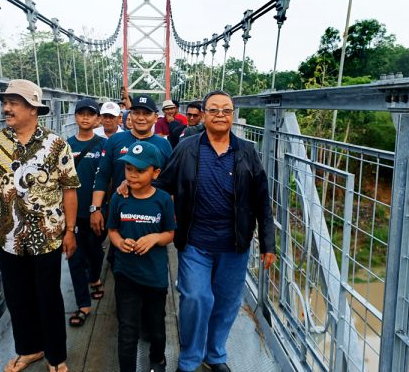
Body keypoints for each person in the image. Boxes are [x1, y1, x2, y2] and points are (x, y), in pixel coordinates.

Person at [118, 90, 276, 372]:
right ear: (202, 115)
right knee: (196, 298)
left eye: (226, 110)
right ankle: (190, 358)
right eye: (213, 110)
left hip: (235, 243)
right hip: (195, 241)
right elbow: (161, 185)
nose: (220, 115)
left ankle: (214, 355)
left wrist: (268, 243)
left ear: (233, 115)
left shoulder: (247, 152)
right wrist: (130, 188)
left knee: (226, 304)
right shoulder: (187, 148)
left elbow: (262, 199)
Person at [0, 79, 79, 372]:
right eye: (6, 102)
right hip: (8, 237)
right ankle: (30, 349)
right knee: (17, 297)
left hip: (49, 237)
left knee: (49, 298)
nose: (6, 108)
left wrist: (70, 231)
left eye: (14, 102)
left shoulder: (56, 144)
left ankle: (56, 357)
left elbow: (69, 189)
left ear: (33, 109)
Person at [107, 141, 176, 372]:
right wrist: (119, 243)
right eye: (129, 169)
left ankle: (157, 360)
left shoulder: (163, 200)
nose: (132, 175)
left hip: (155, 276)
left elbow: (170, 234)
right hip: (126, 273)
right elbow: (113, 230)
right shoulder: (119, 197)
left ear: (155, 173)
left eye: (140, 170)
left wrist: (155, 238)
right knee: (127, 328)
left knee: (156, 325)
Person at [90, 95, 172, 240]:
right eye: (136, 113)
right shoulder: (115, 140)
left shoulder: (164, 144)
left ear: (155, 117)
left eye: (146, 113)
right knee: (117, 254)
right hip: (120, 211)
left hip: (152, 215)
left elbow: (169, 181)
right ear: (130, 115)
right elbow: (102, 175)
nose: (141, 118)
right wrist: (95, 209)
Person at [66, 98, 107, 327]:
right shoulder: (65, 145)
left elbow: (107, 178)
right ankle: (83, 304)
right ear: (75, 117)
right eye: (81, 113)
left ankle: (94, 277)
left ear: (97, 119)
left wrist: (99, 208)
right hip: (72, 214)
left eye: (90, 114)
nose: (85, 117)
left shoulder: (104, 145)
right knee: (74, 256)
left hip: (96, 211)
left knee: (95, 251)